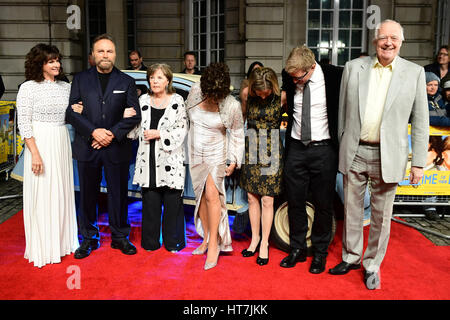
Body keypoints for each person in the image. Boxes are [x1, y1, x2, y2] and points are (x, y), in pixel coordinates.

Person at [329, 20, 429, 290]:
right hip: (355, 150)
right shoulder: (353, 68)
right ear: (375, 41)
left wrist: (418, 162)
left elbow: (421, 121)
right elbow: (343, 113)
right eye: (384, 37)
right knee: (350, 210)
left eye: (394, 38)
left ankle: (372, 264)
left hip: (390, 155)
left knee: (381, 216)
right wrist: (342, 144)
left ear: (401, 42)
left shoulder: (415, 73)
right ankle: (350, 257)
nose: (388, 42)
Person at [66, 34, 141, 259]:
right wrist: (94, 132)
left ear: (115, 55)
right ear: (93, 55)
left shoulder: (126, 81)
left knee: (118, 194)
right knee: (87, 195)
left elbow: (134, 114)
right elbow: (71, 112)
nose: (105, 55)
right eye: (101, 51)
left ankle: (120, 237)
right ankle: (89, 238)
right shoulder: (80, 79)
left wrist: (111, 134)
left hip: (116, 147)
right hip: (87, 146)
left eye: (109, 51)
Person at [280, 45, 342, 274]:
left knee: (323, 204)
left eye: (299, 77)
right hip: (296, 147)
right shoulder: (290, 76)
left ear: (312, 67)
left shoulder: (335, 77)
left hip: (324, 149)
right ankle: (296, 249)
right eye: (292, 78)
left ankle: (320, 253)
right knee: (294, 200)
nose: (295, 81)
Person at [16, 43, 79, 268]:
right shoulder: (29, 88)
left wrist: (78, 110)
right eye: (50, 61)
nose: (56, 64)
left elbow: (74, 113)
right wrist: (34, 154)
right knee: (43, 193)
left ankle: (62, 243)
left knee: (61, 192)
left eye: (57, 60)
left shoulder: (65, 86)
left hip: (61, 141)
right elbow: (24, 123)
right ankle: (44, 247)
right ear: (39, 63)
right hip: (40, 142)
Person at [186, 62, 244, 270]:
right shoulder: (195, 92)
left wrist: (234, 159)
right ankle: (206, 238)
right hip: (194, 152)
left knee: (212, 195)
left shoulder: (232, 105)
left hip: (216, 153)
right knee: (199, 196)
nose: (212, 98)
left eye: (216, 95)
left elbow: (237, 133)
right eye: (209, 93)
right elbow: (186, 118)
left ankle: (214, 244)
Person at [128, 63, 188, 252]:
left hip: (171, 160)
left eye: (159, 77)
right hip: (148, 160)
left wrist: (159, 134)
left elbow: (182, 128)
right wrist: (127, 117)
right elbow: (134, 130)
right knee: (150, 204)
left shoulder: (178, 100)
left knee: (172, 205)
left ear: (168, 80)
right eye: (152, 77)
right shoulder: (143, 100)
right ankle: (150, 243)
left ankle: (173, 243)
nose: (155, 81)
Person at [239, 67, 283, 266]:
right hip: (251, 144)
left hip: (272, 146)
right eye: (259, 92)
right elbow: (241, 120)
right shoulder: (247, 94)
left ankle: (264, 242)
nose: (263, 95)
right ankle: (254, 238)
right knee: (251, 196)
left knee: (267, 198)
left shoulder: (281, 97)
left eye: (266, 91)